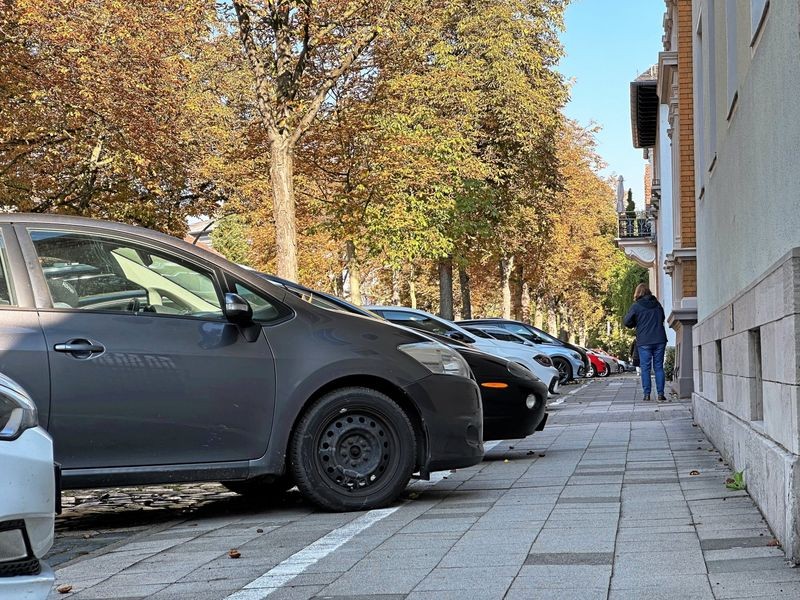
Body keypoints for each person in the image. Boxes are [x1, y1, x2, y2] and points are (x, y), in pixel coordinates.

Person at [623, 283, 668, 402]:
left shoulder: (636, 306)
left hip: (644, 341)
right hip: (659, 339)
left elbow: (627, 321)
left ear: (637, 293)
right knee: (658, 367)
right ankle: (660, 394)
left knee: (645, 368)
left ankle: (647, 394)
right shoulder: (657, 304)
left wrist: (636, 323)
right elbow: (662, 318)